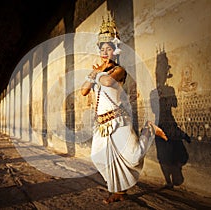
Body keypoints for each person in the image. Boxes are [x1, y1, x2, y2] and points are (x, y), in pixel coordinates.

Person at [80, 15, 168, 204]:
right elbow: (83, 90)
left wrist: (99, 71)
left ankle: (150, 129)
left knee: (134, 156)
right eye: (102, 49)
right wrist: (95, 72)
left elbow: (107, 81)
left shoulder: (119, 70)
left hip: (118, 120)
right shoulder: (98, 71)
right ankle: (118, 192)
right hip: (102, 124)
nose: (105, 52)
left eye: (108, 49)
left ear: (115, 51)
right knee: (101, 158)